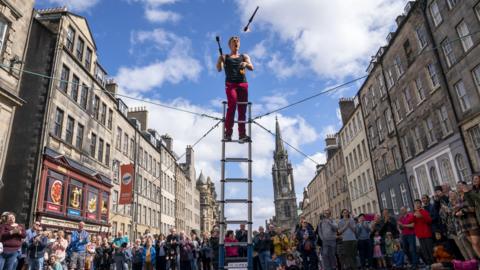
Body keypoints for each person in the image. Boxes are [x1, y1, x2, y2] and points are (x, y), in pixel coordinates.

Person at [216, 36, 254, 142]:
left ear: (239, 44)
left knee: (242, 110)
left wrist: (246, 64)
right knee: (232, 105)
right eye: (234, 41)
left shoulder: (244, 56)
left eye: (237, 41)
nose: (236, 43)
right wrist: (220, 61)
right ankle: (228, 133)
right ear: (230, 45)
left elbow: (252, 67)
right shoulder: (225, 57)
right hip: (231, 85)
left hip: (242, 84)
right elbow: (219, 69)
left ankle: (242, 134)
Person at [456, 181, 480, 258]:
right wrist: (456, 213)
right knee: (473, 244)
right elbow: (455, 209)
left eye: (460, 185)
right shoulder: (458, 198)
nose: (459, 187)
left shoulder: (469, 195)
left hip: (472, 221)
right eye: (457, 186)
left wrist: (462, 211)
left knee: (476, 243)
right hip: (463, 223)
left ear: (464, 186)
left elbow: (472, 208)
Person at [413, 198, 434, 266]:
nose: (416, 205)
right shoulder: (414, 213)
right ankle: (428, 264)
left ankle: (434, 264)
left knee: (430, 250)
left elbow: (429, 220)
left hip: (426, 234)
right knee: (424, 251)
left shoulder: (424, 211)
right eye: (415, 204)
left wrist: (421, 216)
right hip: (420, 235)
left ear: (420, 204)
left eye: (418, 203)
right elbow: (412, 222)